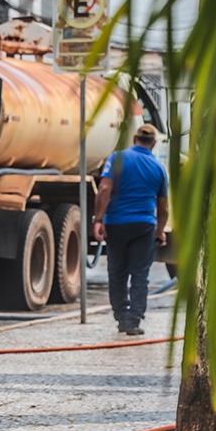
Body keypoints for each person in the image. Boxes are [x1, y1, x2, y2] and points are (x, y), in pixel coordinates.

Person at [92, 123, 169, 336]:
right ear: (153, 143)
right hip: (144, 225)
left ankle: (121, 317)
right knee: (140, 275)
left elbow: (104, 189)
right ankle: (133, 321)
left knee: (117, 272)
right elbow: (163, 207)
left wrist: (99, 219)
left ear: (135, 139)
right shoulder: (158, 168)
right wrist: (160, 230)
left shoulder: (117, 158)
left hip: (116, 223)